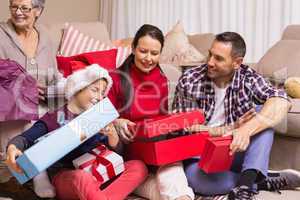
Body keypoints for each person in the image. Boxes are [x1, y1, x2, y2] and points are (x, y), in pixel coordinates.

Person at [172, 31, 300, 200]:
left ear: (237, 63)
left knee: (264, 119)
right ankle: (257, 180)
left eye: (218, 58)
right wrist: (229, 129)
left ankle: (244, 189)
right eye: (210, 54)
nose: (210, 62)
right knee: (196, 181)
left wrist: (246, 130)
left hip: (234, 148)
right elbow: (184, 130)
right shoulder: (190, 79)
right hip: (202, 153)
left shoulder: (249, 78)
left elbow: (281, 100)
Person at [6, 64, 148, 200]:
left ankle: (97, 196)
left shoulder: (98, 117)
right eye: (95, 90)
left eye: (102, 93)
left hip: (100, 172)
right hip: (69, 177)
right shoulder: (55, 117)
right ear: (78, 88)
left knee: (138, 166)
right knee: (82, 178)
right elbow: (25, 139)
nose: (99, 97)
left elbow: (116, 156)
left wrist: (112, 136)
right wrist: (13, 147)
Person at [108, 24, 194, 200]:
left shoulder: (161, 79)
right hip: (127, 150)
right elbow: (101, 117)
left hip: (154, 149)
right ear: (133, 49)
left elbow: (161, 120)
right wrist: (117, 121)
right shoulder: (116, 79)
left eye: (154, 53)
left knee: (170, 168)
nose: (148, 58)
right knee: (167, 179)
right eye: (143, 51)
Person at [0, 0, 64, 197]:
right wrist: (26, 89)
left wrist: (56, 91)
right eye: (13, 7)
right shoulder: (1, 34)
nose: (18, 12)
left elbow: (54, 75)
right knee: (26, 115)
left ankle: (39, 169)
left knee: (59, 111)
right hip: (9, 104)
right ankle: (36, 172)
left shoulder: (46, 37)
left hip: (41, 103)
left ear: (38, 11)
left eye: (24, 8)